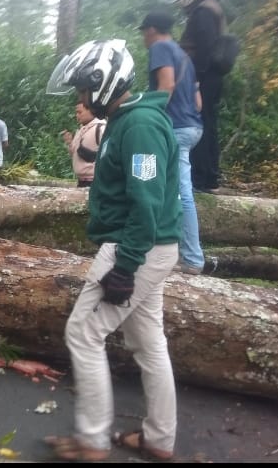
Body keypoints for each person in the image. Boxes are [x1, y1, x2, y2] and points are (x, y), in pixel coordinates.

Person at [43, 39, 181, 462]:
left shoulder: (140, 127)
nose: (82, 99)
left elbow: (147, 201)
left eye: (84, 89)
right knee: (148, 342)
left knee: (83, 333)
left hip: (136, 246)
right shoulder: (126, 120)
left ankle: (92, 440)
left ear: (104, 83)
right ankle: (160, 439)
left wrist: (126, 265)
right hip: (148, 245)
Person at [140, 9, 205, 275]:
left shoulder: (161, 48)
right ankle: (164, 246)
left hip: (174, 128)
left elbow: (166, 85)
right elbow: (198, 102)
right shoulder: (184, 56)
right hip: (192, 127)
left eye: (144, 32)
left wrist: (150, 116)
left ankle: (192, 258)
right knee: (165, 184)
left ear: (151, 29)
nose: (143, 38)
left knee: (178, 190)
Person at [161, 0, 226, 194]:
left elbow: (205, 48)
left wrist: (194, 80)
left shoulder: (203, 11)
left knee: (201, 124)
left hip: (205, 78)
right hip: (208, 76)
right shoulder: (208, 8)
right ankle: (208, 178)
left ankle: (202, 179)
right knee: (206, 123)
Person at [61, 102, 106, 187]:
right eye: (76, 113)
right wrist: (70, 143)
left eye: (80, 112)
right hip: (82, 181)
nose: (77, 116)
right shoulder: (81, 130)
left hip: (95, 181)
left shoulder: (100, 129)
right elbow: (74, 154)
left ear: (91, 110)